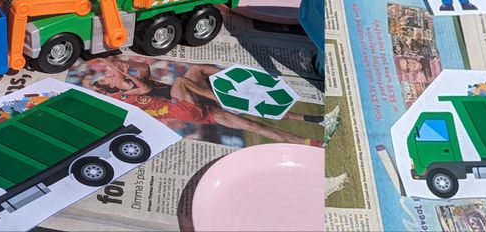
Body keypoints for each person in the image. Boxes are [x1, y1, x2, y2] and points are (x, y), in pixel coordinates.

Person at [79, 58, 321, 144]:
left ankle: (314, 128)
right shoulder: (122, 97)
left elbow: (143, 69)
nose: (109, 73)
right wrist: (114, 67)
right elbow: (140, 87)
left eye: (107, 73)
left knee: (254, 125)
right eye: (108, 76)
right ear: (110, 87)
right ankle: (227, 98)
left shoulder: (128, 84)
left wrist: (126, 66)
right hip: (182, 108)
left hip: (194, 106)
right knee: (181, 82)